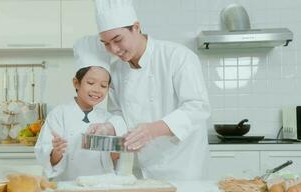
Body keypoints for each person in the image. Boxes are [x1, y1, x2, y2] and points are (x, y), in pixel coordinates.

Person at [87, 0, 211, 180]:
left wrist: (153, 130)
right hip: (142, 168)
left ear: (136, 27)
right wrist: (109, 128)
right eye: (106, 43)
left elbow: (198, 107)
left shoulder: (177, 57)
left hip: (184, 167)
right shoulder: (116, 71)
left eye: (118, 40)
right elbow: (118, 113)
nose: (114, 50)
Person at [34, 35, 126, 181]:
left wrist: (116, 149)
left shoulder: (108, 119)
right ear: (76, 83)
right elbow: (47, 159)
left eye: (103, 85)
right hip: (67, 186)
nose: (97, 89)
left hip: (101, 185)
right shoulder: (59, 114)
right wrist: (57, 151)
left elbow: (115, 158)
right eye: (90, 82)